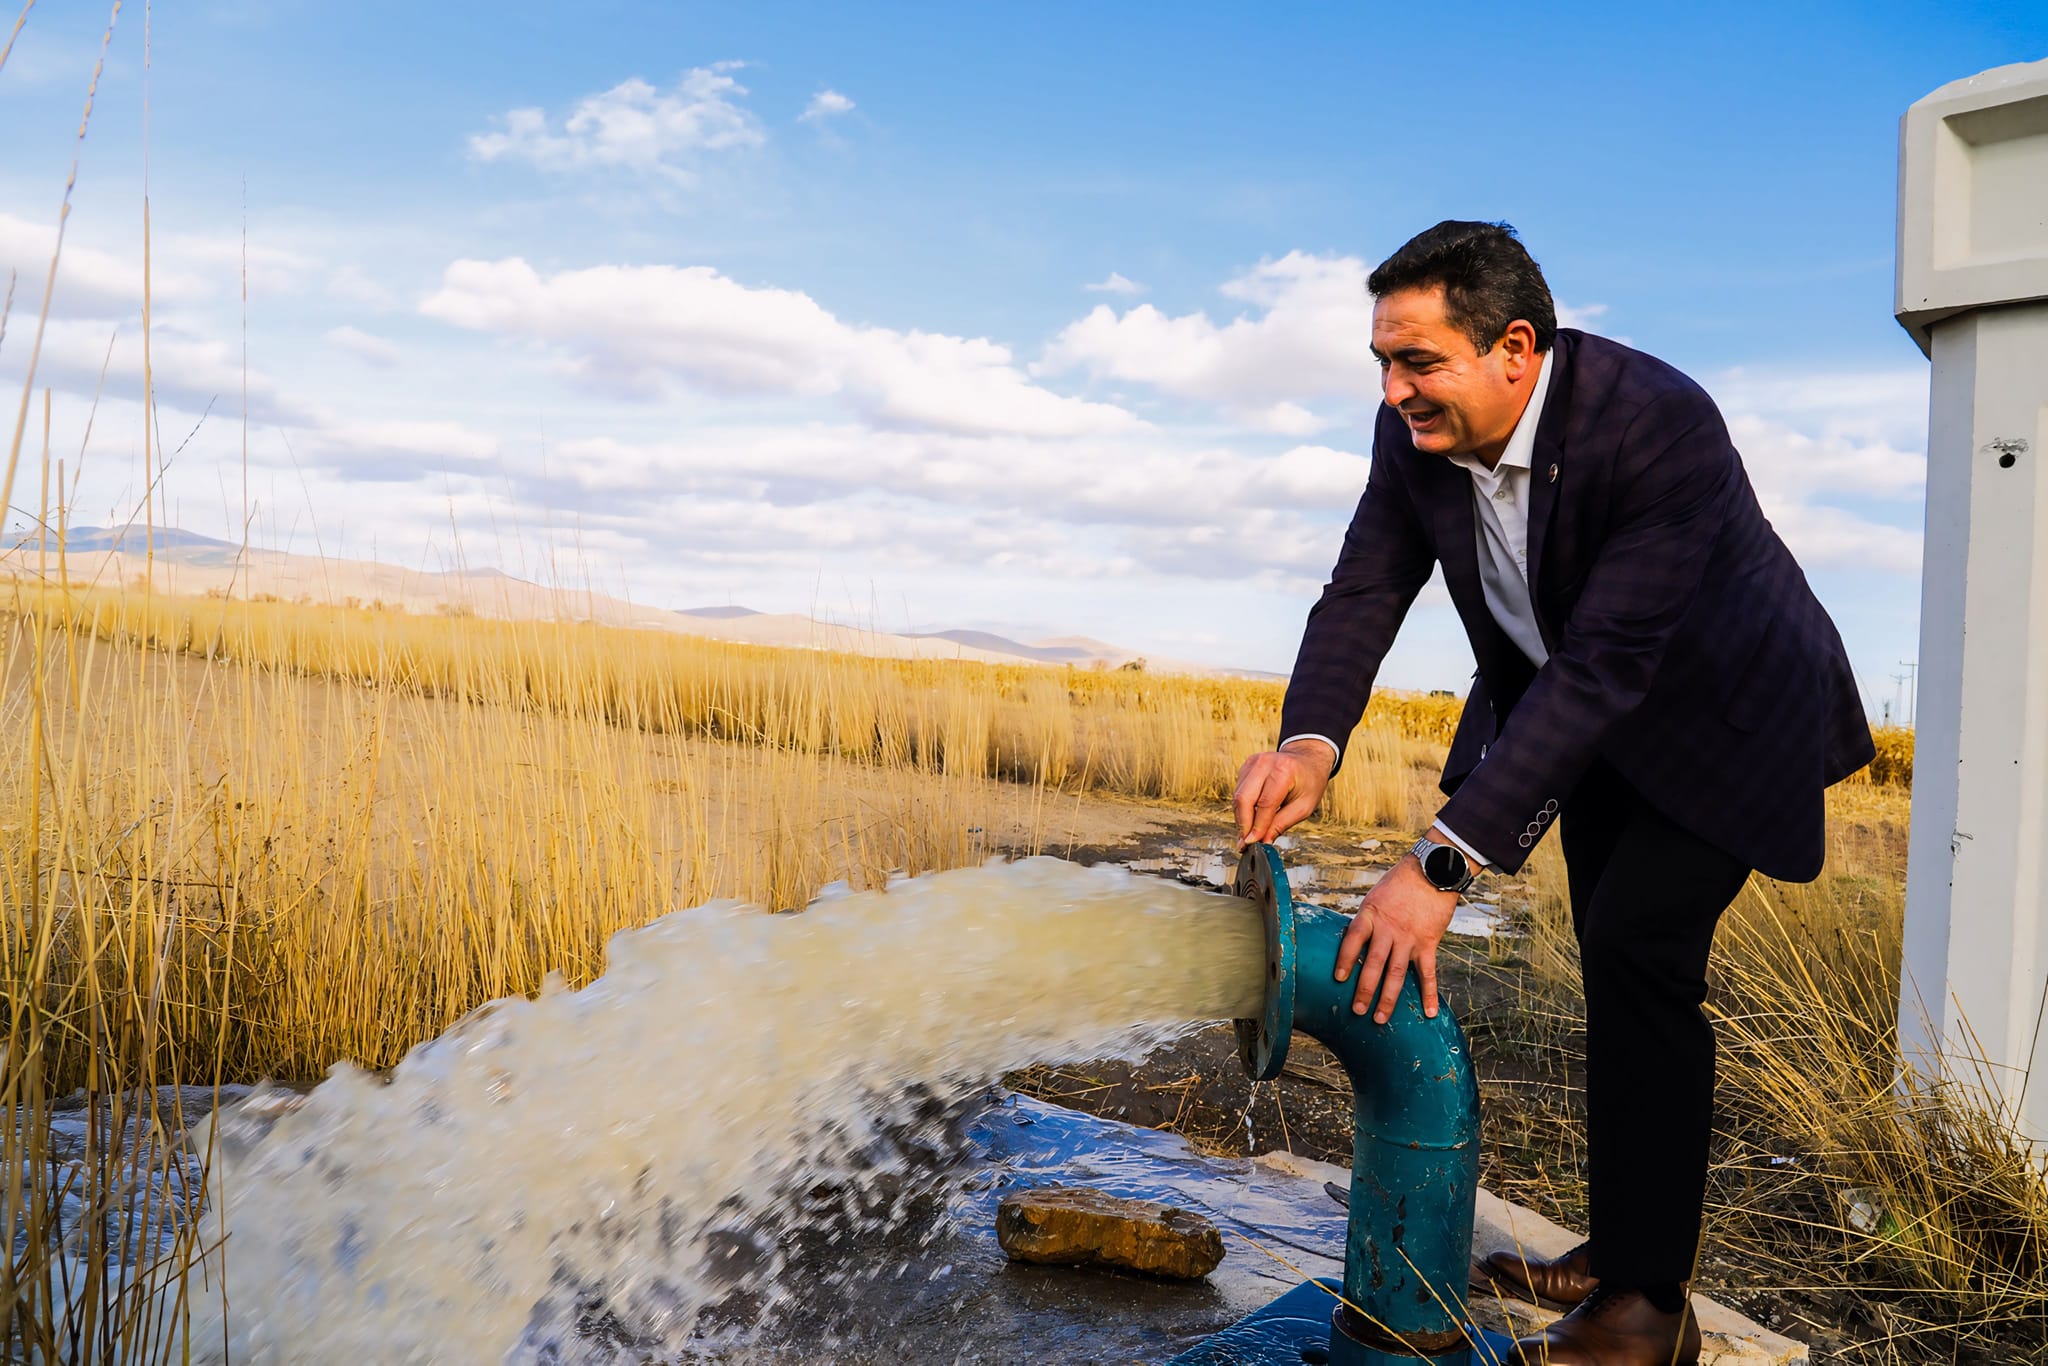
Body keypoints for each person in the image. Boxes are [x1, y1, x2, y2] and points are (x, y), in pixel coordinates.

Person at [1232, 221, 1873, 1366]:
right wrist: (1309, 745)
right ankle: (1624, 1245)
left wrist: (1437, 865)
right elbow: (1365, 584)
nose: (1392, 390)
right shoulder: (1413, 437)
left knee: (1641, 951)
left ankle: (1646, 1310)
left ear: (1513, 348)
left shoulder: (1654, 419)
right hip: (1590, 726)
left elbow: (1606, 664)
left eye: (1416, 361)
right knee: (1607, 953)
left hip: (1722, 714)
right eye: (1381, 361)